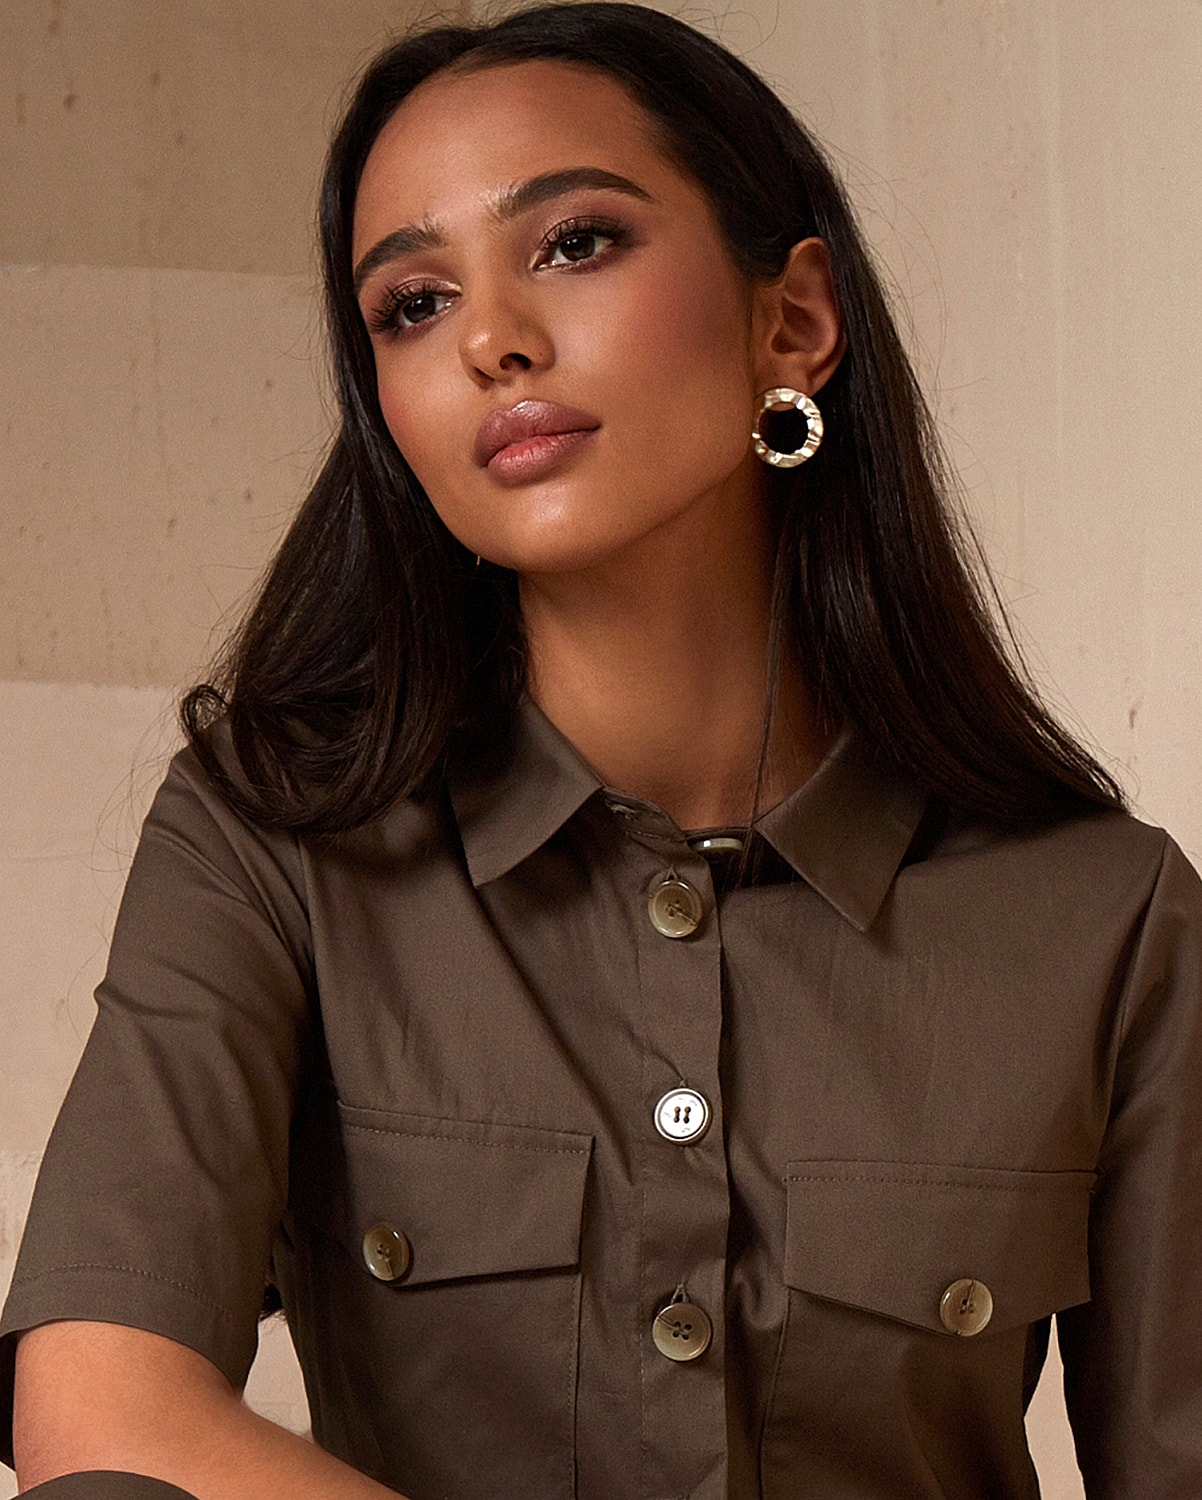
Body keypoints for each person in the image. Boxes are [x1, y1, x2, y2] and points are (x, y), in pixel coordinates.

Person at [4, 3, 1200, 1497]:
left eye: (572, 244)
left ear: (793, 323)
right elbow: (100, 1421)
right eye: (411, 306)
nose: (493, 339)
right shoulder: (274, 846)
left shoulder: (1103, 917)